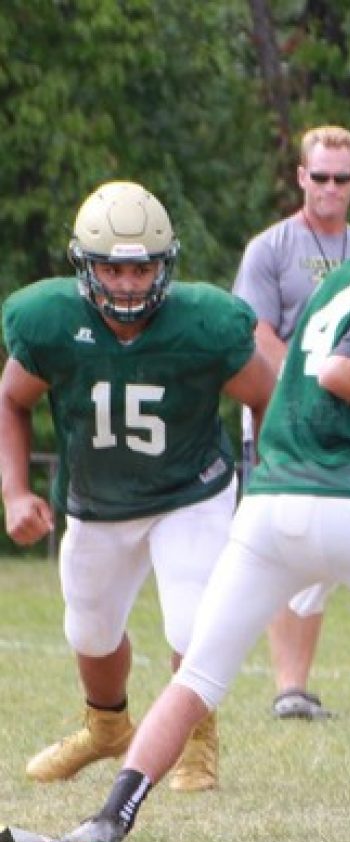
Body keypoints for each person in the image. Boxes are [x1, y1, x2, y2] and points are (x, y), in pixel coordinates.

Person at [57, 146, 350, 842]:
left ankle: (110, 819)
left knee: (198, 676)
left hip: (272, 504)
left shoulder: (346, 281)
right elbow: (346, 373)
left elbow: (338, 394)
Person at [0, 181, 274, 794]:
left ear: (164, 264)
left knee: (191, 624)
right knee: (90, 631)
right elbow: (11, 399)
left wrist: (279, 475)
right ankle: (106, 729)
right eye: (113, 268)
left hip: (190, 491)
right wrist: (16, 491)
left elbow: (268, 396)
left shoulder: (203, 323)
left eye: (142, 267)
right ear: (86, 266)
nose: (127, 283)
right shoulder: (49, 320)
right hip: (97, 501)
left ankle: (197, 739)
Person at [232, 124, 350, 721]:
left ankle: (296, 685)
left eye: (340, 177)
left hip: (346, 420)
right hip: (280, 415)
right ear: (300, 176)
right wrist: (305, 384)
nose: (328, 187)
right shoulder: (270, 249)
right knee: (276, 542)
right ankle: (285, 686)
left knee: (322, 554)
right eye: (317, 175)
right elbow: (256, 329)